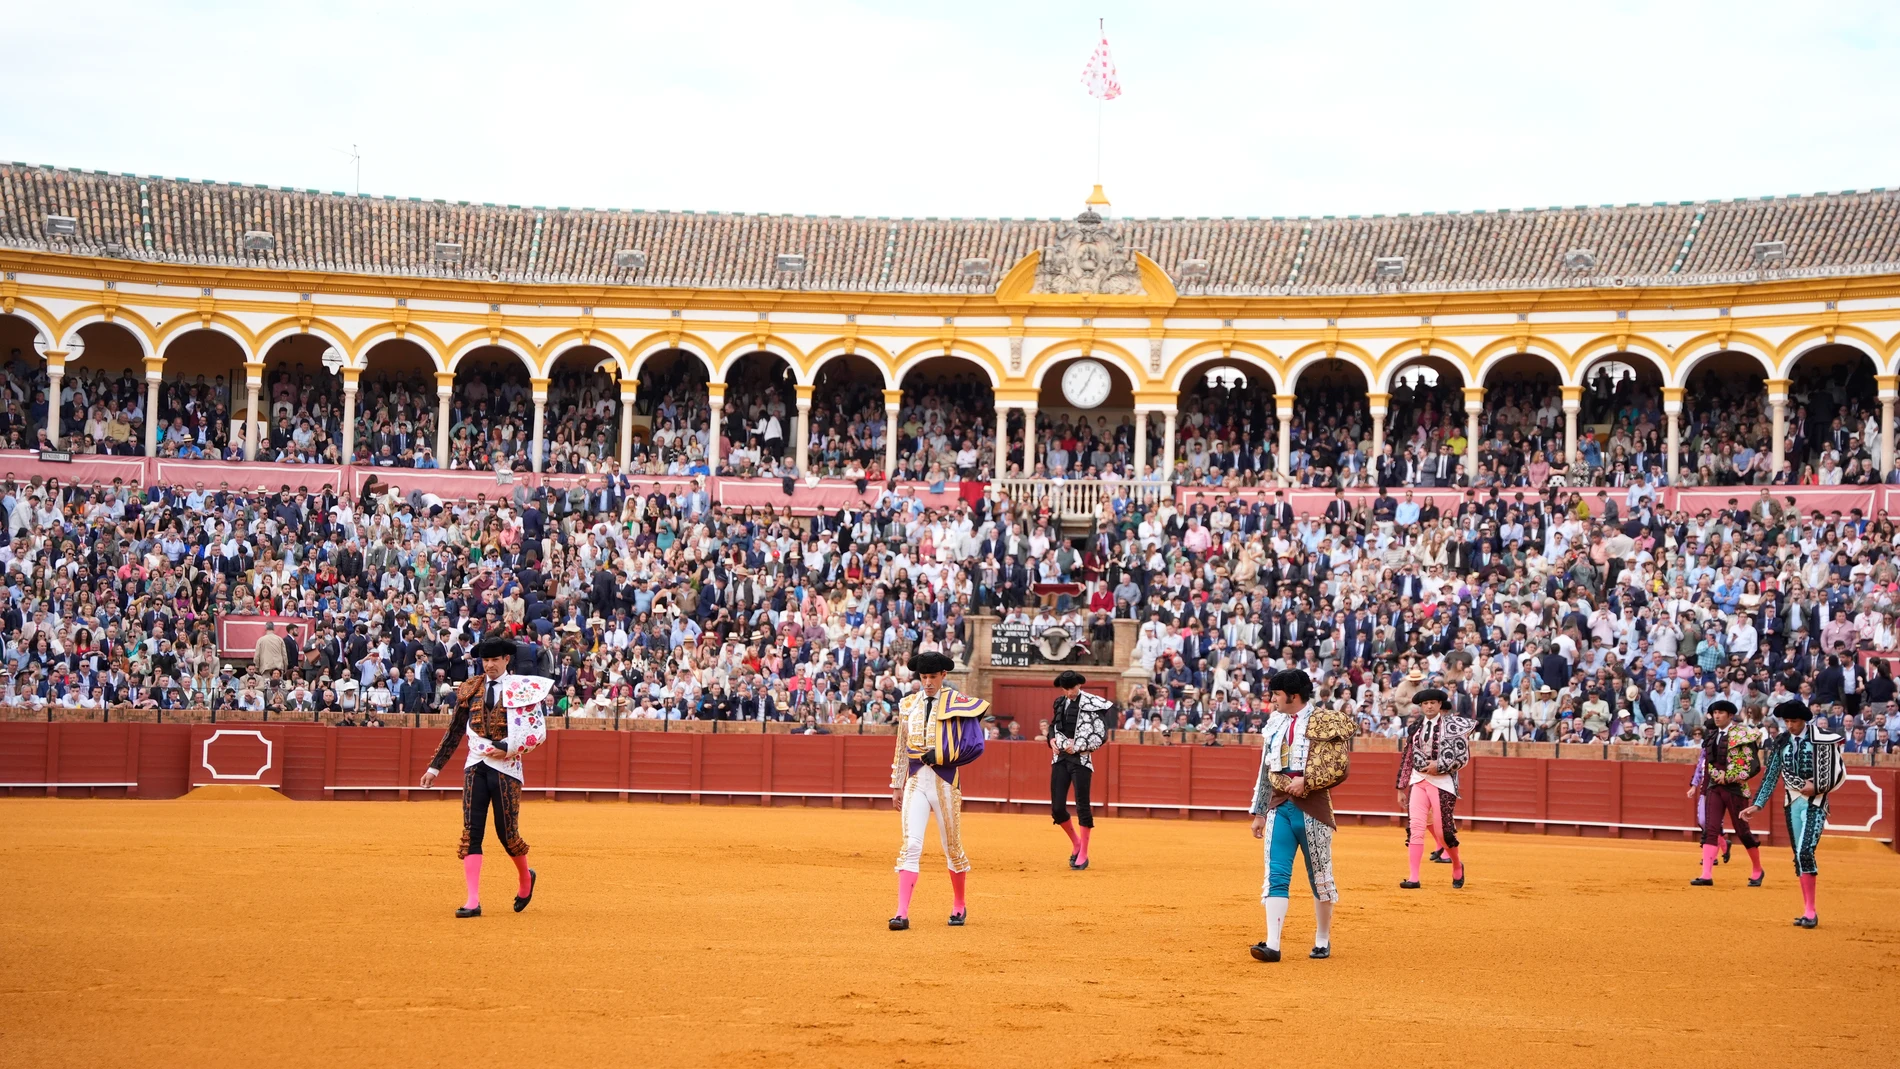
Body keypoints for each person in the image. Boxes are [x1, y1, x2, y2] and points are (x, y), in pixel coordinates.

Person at [419, 637, 551, 918]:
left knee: (507, 834)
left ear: (506, 660)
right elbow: (455, 730)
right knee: (471, 832)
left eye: (494, 660)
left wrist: (507, 746)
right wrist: (434, 767)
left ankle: (526, 878)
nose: (489, 665)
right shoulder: (470, 689)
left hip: (507, 767)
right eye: (485, 660)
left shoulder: (522, 689)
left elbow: (537, 731)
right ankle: (472, 900)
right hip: (476, 764)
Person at [889, 650, 990, 931]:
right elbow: (902, 746)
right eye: (924, 677)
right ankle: (901, 912)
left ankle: (959, 904)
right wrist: (897, 785)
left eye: (933, 677)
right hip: (915, 781)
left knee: (952, 847)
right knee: (911, 845)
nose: (928, 682)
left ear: (944, 676)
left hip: (945, 783)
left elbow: (973, 744)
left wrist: (942, 756)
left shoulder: (958, 703)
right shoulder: (909, 704)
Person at [1247, 668, 1341, 962]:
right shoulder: (1274, 723)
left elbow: (1339, 767)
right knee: (1275, 874)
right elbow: (1266, 769)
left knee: (1321, 879)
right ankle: (1273, 944)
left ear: (1293, 696)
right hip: (1279, 806)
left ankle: (1322, 939)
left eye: (1276, 694)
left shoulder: (1323, 721)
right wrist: (1259, 811)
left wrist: (1308, 780)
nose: (1272, 699)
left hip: (1312, 807)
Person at [1742, 700, 1846, 928]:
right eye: (1787, 721)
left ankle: (1810, 912)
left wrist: (1817, 786)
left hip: (1815, 802)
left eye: (1794, 721)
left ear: (1804, 720)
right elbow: (1771, 776)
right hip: (1792, 803)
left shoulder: (1822, 740)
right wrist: (1757, 805)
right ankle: (1808, 909)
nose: (1790, 725)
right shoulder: (1782, 743)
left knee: (1805, 851)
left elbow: (1837, 771)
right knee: (1799, 856)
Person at [1395, 687, 1472, 890]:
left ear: (1439, 705)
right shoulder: (1416, 729)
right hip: (1418, 780)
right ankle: (1413, 877)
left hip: (1442, 783)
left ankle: (1457, 864)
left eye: (1433, 703)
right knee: (1416, 829)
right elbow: (1408, 758)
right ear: (1421, 706)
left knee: (1443, 831)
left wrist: (1440, 765)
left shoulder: (1453, 727)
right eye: (1425, 703)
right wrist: (1401, 787)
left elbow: (1463, 757)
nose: (1429, 706)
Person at [1685, 699, 1765, 887]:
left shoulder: (1743, 735)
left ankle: (1757, 869)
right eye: (1715, 713)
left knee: (1742, 831)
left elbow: (1753, 766)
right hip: (1715, 787)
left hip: (1735, 789)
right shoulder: (1712, 737)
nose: (1717, 716)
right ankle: (1706, 874)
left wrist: (1729, 777)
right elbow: (1708, 765)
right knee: (1710, 829)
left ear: (1730, 716)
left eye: (1721, 713)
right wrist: (1710, 783)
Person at [1047, 669, 1111, 870]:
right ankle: (1076, 842)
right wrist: (1051, 740)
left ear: (1079, 685)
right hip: (1060, 758)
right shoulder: (1060, 702)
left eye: (1071, 688)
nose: (1069, 692)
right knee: (1057, 808)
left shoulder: (1092, 704)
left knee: (1082, 804)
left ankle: (1084, 852)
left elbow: (1101, 734)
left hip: (1081, 760)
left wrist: (1079, 744)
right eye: (1065, 689)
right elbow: (1053, 727)